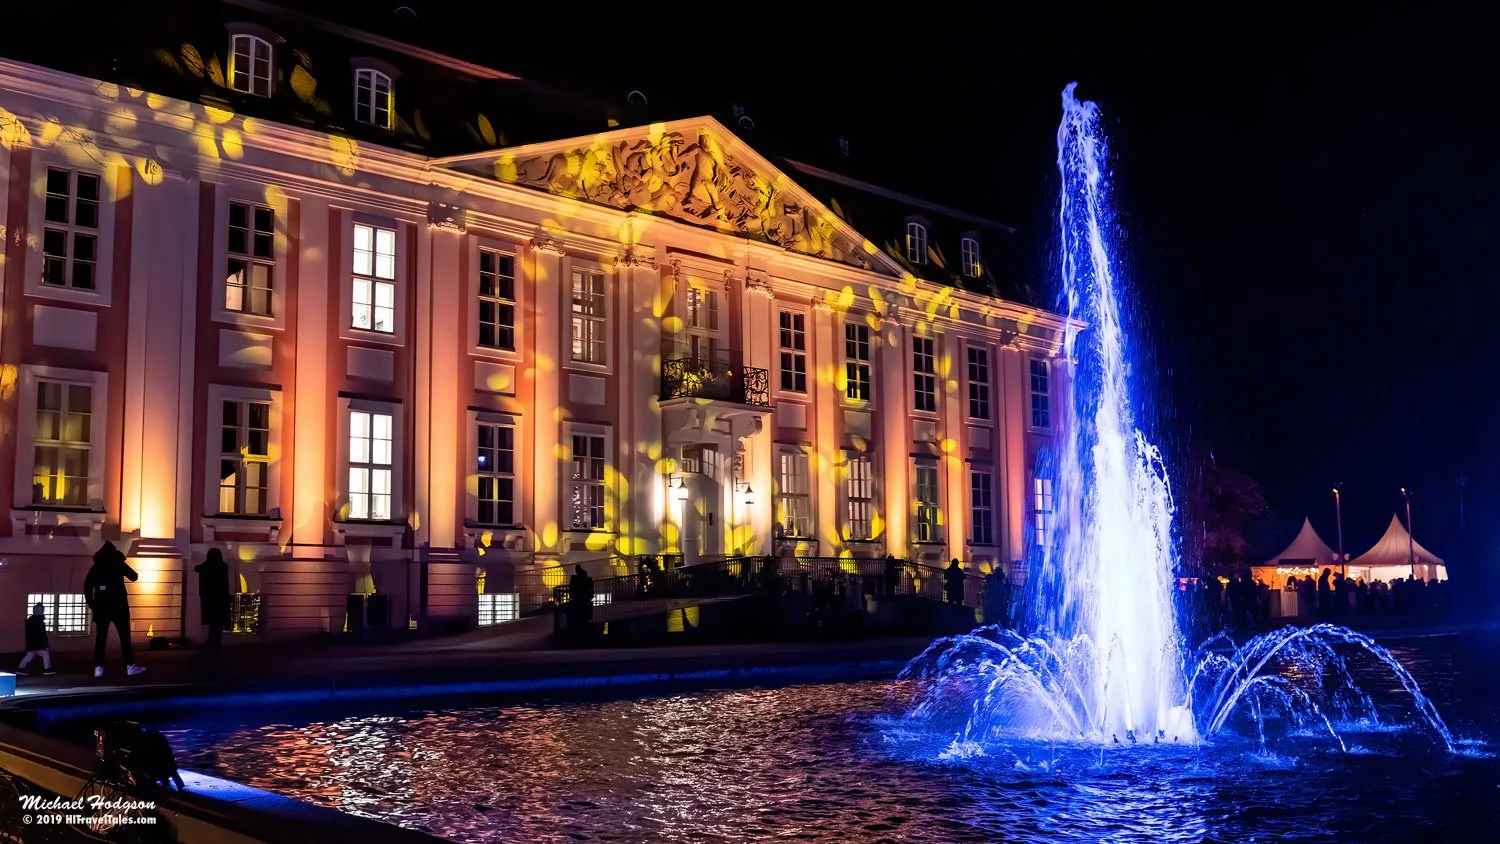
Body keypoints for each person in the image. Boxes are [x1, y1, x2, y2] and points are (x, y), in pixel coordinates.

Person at [84, 540, 145, 678]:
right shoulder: (118, 563)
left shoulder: (96, 566)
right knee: (125, 638)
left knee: (101, 639)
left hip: (101, 607)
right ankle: (130, 666)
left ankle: (98, 668)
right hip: (119, 606)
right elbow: (134, 576)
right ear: (114, 551)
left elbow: (87, 587)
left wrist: (92, 604)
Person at [195, 548, 232, 652]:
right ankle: (215, 645)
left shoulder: (207, 567)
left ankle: (212, 644)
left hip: (210, 602)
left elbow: (198, 568)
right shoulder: (223, 567)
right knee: (217, 626)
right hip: (220, 602)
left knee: (213, 626)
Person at [17, 601, 56, 675]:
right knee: (44, 653)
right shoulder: (39, 622)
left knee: (30, 654)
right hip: (39, 643)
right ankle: (47, 668)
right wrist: (45, 643)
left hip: (32, 642)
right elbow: (42, 634)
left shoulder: (30, 621)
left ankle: (21, 667)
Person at [568, 565, 595, 630]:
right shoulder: (584, 576)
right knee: (585, 615)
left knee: (579, 614)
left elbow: (572, 587)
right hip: (585, 599)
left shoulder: (577, 579)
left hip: (580, 599)